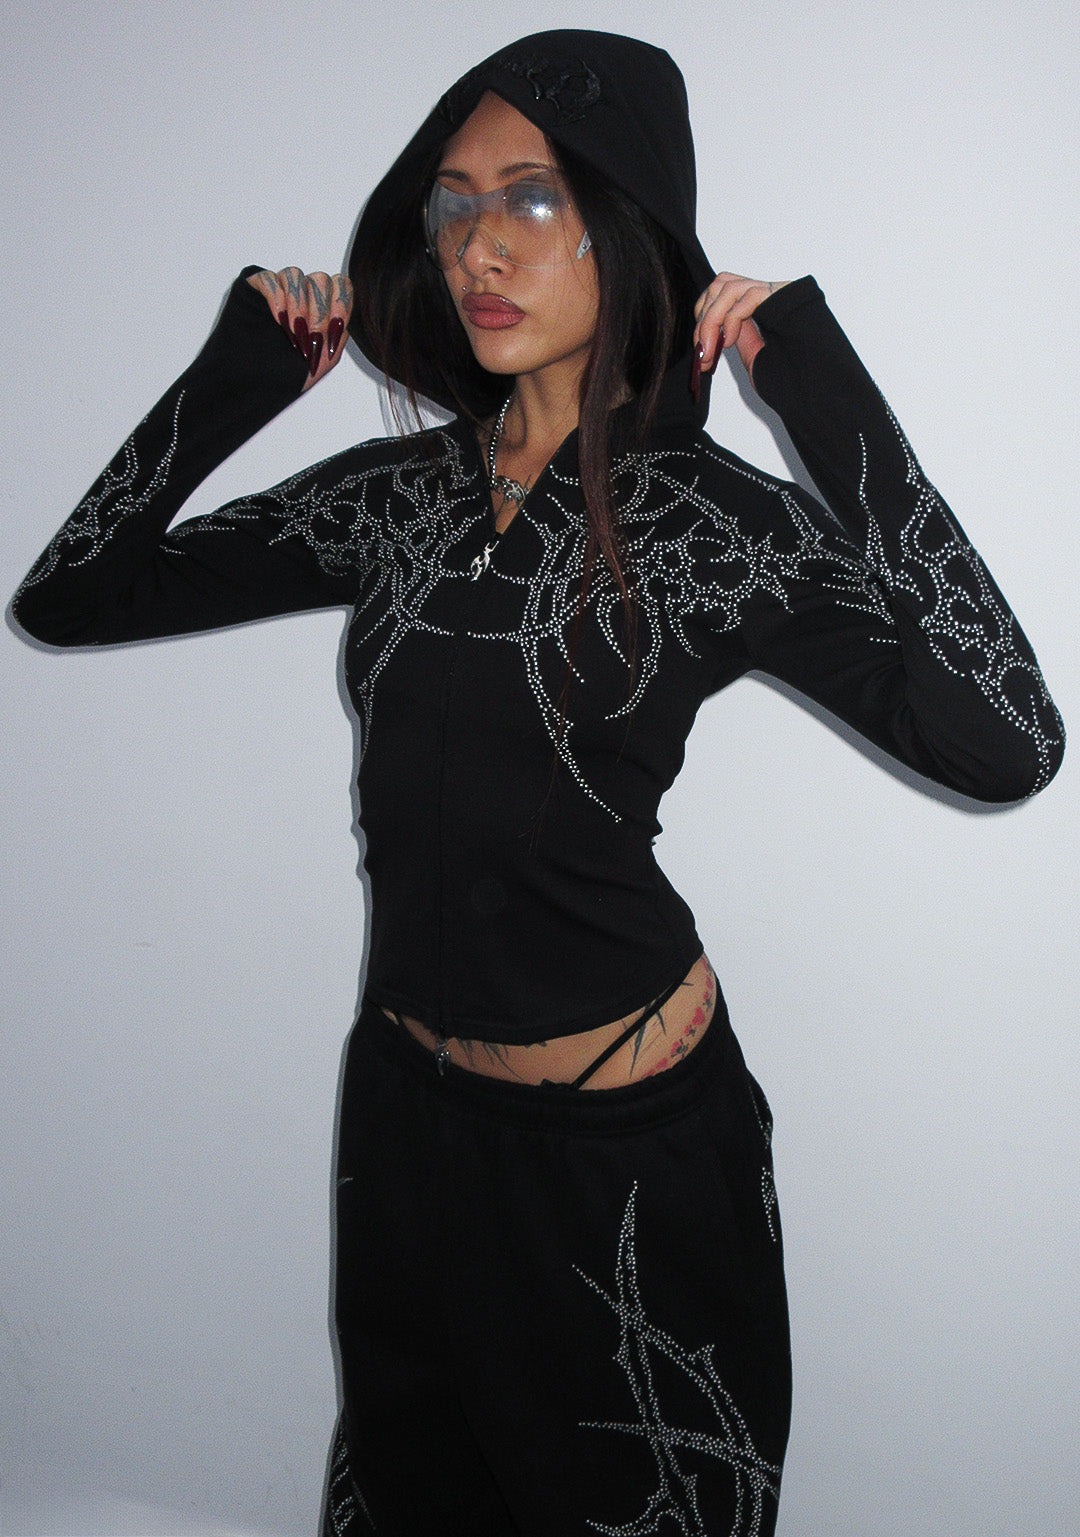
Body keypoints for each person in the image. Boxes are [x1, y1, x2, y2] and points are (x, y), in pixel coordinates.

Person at [11, 27, 1064, 1537]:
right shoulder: (401, 501)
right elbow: (74, 596)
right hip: (407, 1128)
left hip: (625, 1168)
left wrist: (821, 392)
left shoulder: (708, 524)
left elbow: (1006, 737)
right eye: (453, 204)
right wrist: (239, 379)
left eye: (534, 199)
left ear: (627, 230)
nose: (478, 247)